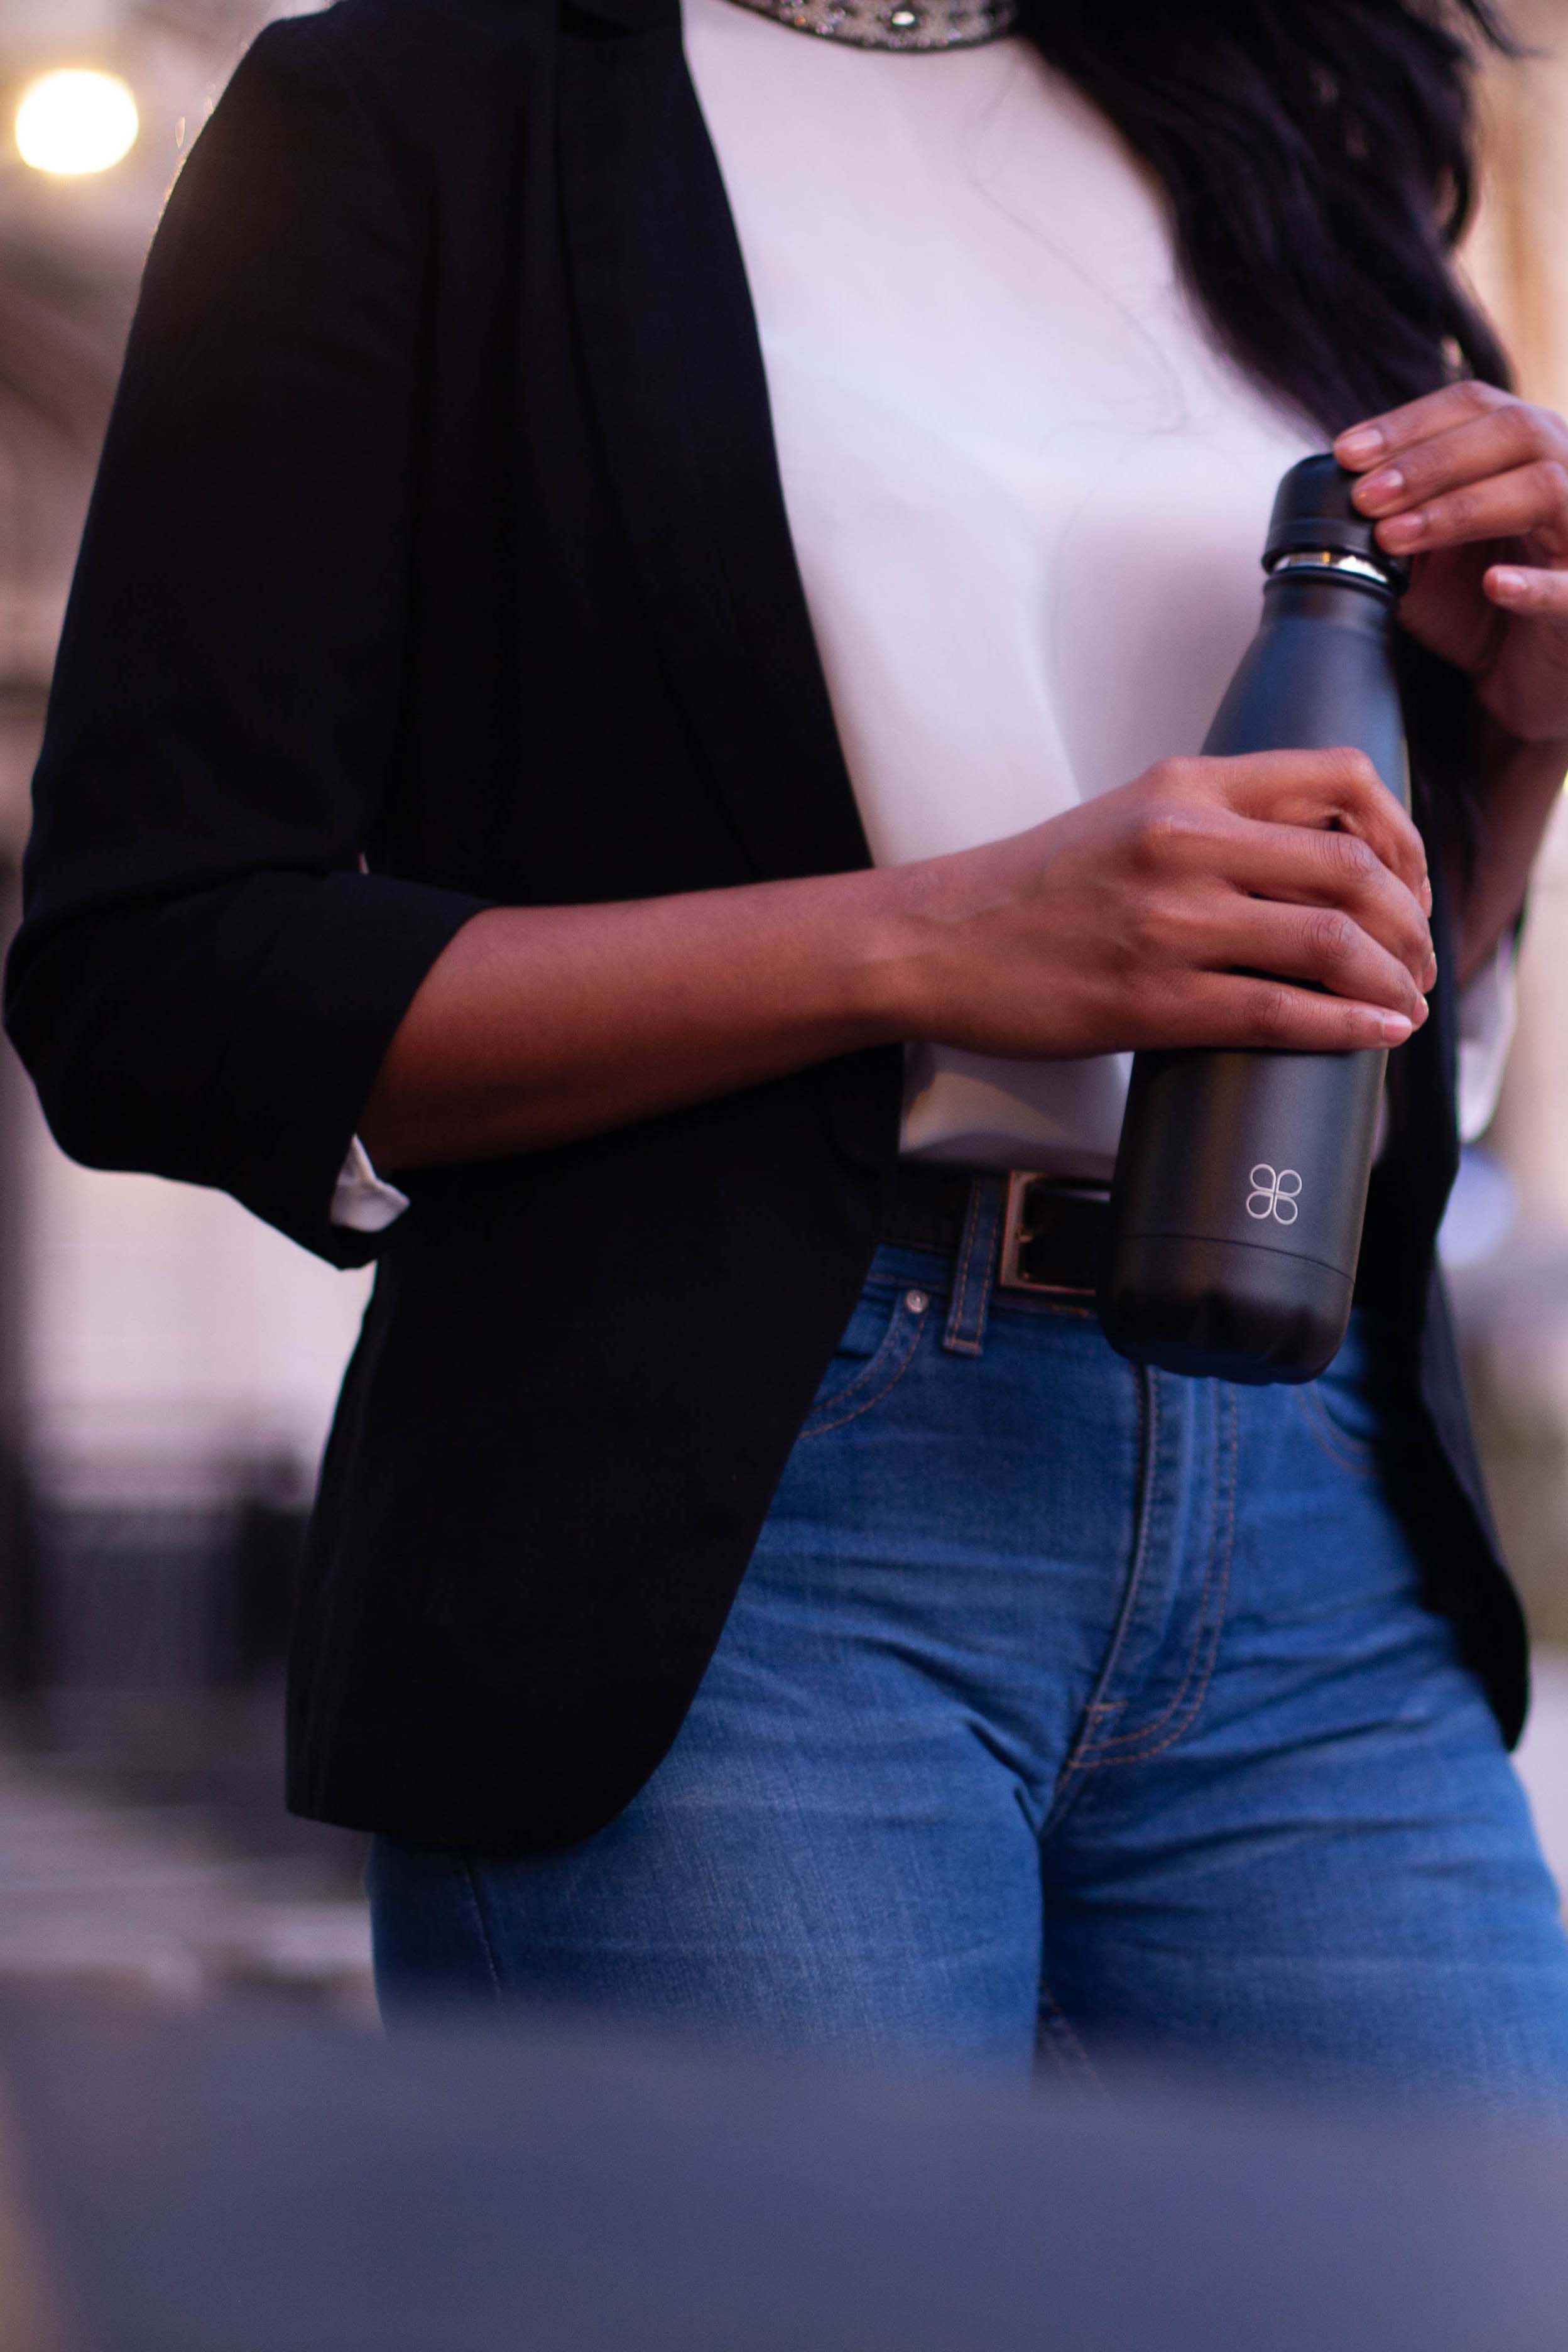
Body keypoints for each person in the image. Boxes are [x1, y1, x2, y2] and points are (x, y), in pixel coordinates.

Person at [10, 0, 1568, 2110]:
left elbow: (1397, 1022)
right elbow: (161, 969)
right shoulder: (410, 117)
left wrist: (1529, 749)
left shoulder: (1301, 134)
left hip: (1308, 1507)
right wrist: (925, 941)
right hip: (743, 1539)